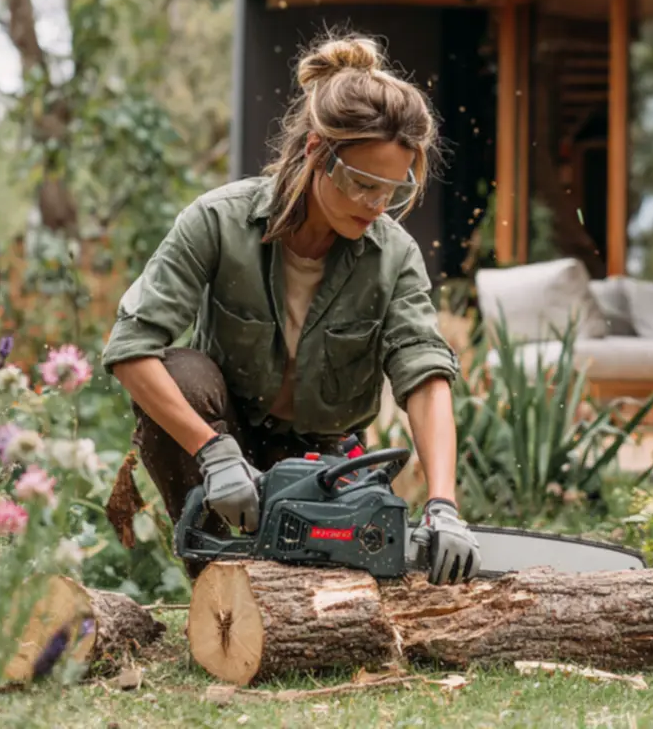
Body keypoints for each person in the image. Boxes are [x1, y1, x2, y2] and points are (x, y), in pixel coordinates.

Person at [100, 32, 480, 586]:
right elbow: (129, 348)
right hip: (224, 441)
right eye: (362, 185)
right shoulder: (218, 222)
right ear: (315, 154)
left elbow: (424, 373)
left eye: (392, 192)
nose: (375, 206)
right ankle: (214, 585)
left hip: (329, 457)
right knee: (183, 376)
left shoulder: (394, 256)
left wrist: (442, 503)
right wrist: (213, 453)